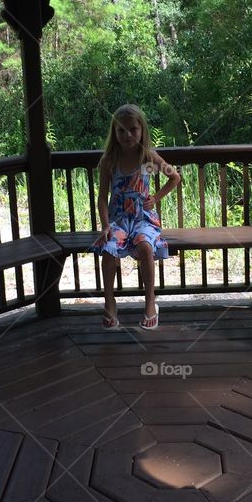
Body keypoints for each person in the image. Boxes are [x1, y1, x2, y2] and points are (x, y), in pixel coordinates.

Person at [90, 104, 181, 331]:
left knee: (145, 246)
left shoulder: (146, 158)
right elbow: (102, 198)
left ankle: (150, 302)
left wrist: (156, 198)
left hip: (143, 218)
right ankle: (109, 302)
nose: (128, 135)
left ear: (142, 130)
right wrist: (104, 225)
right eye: (121, 130)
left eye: (133, 129)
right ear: (114, 132)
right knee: (109, 248)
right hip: (118, 219)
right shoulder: (109, 161)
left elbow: (174, 177)